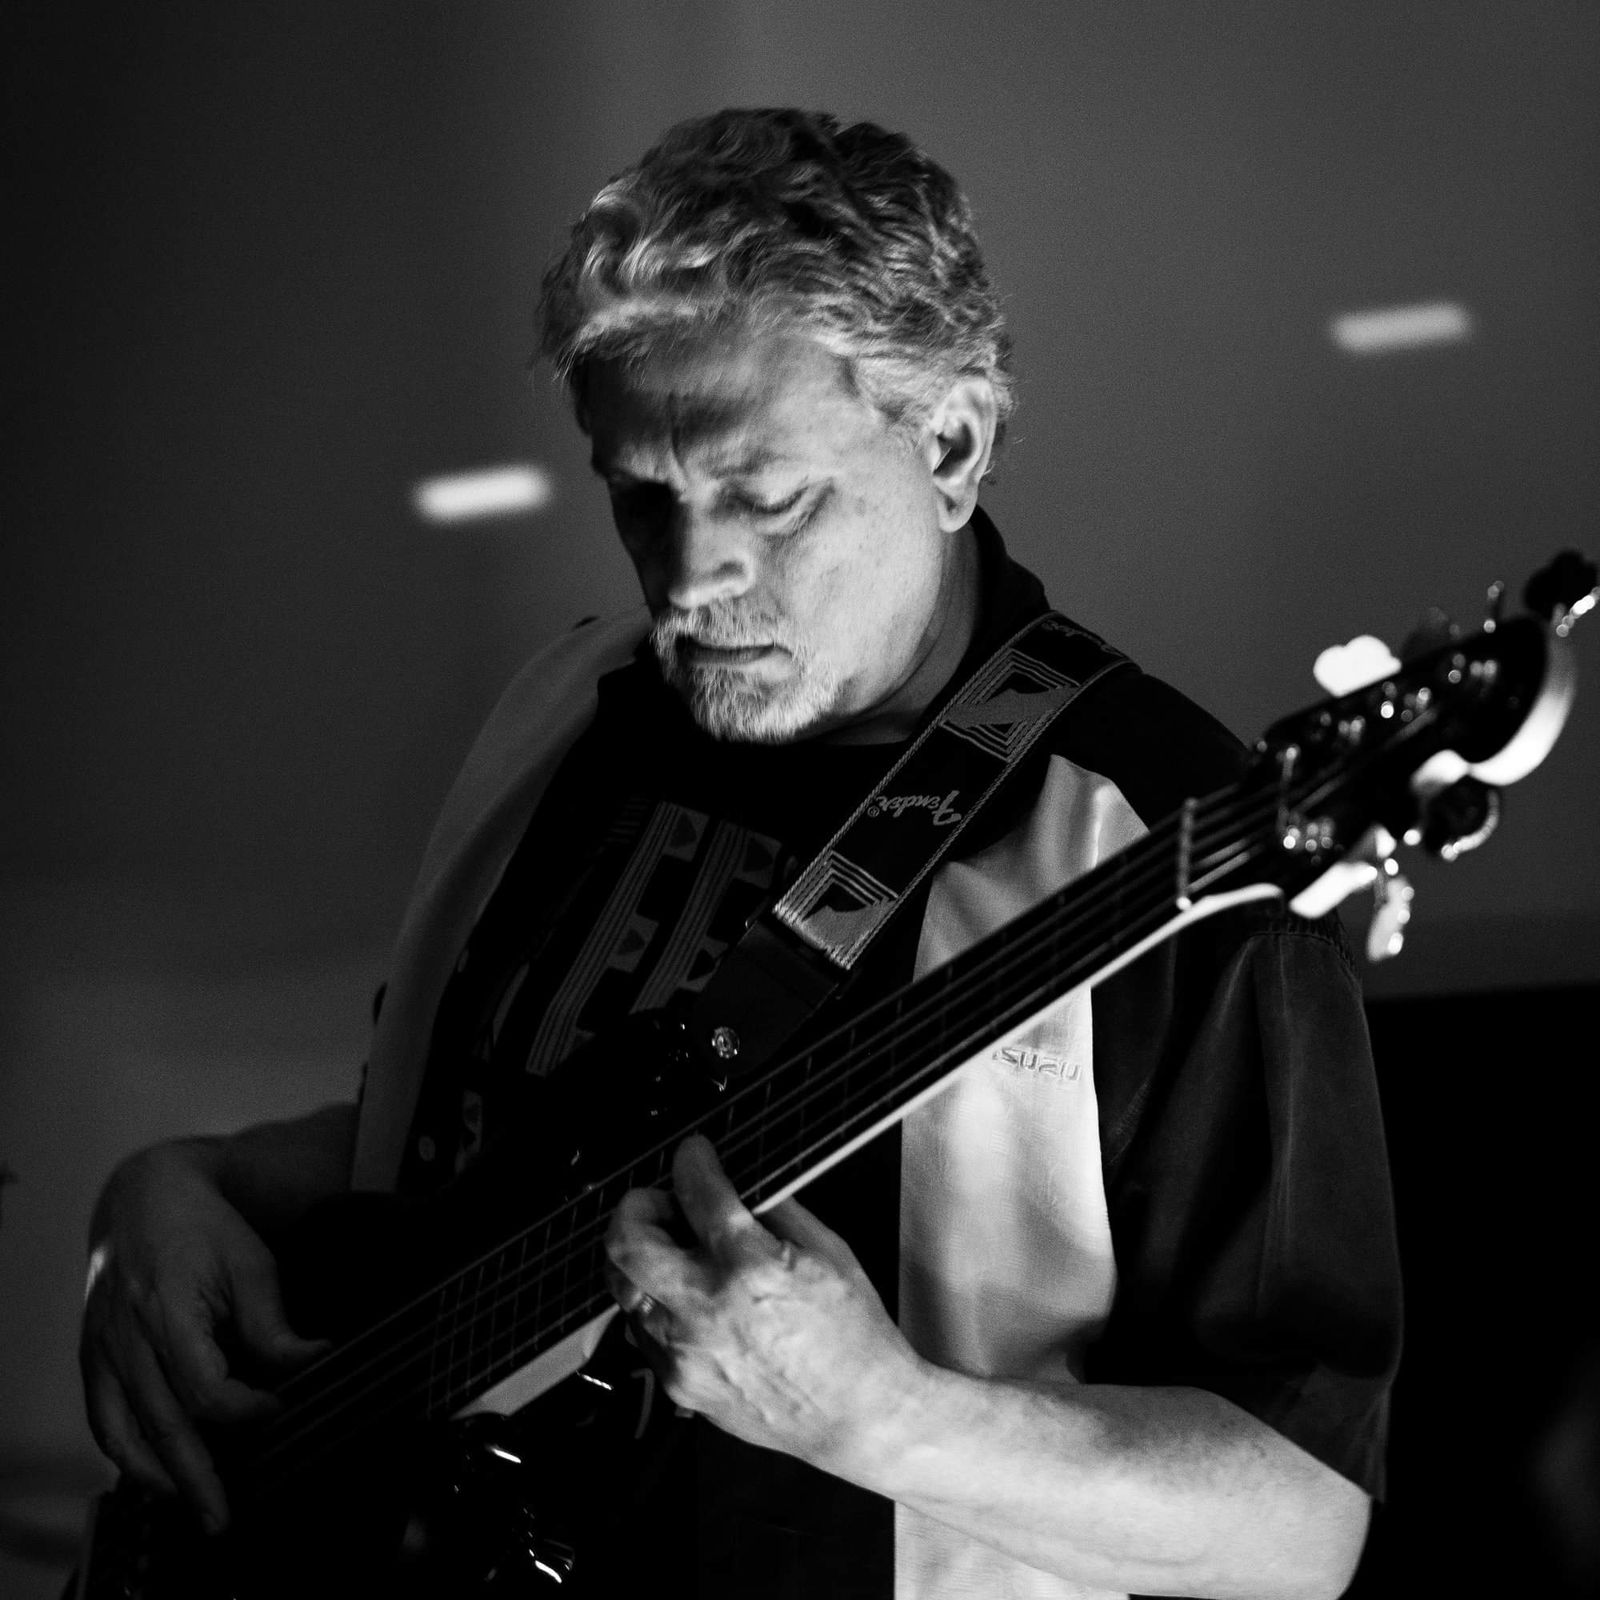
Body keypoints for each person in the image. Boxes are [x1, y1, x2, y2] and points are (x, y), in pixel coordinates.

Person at [80, 108, 1401, 1598]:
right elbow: (478, 1152)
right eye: (639, 496)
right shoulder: (573, 709)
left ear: (952, 443)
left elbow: (1304, 1523)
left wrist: (888, 1419)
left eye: (767, 497)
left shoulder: (1166, 850)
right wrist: (188, 1186)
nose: (689, 577)